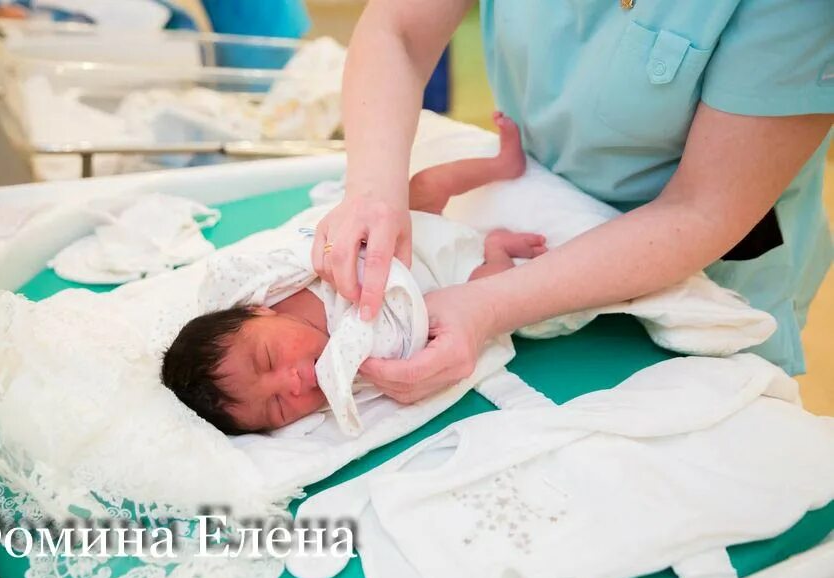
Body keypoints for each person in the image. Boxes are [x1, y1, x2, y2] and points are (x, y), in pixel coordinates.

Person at [313, 0, 834, 403]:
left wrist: (486, 304)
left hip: (701, 267)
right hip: (534, 202)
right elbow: (399, 31)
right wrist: (375, 193)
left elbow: (702, 207)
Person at [161, 114, 543, 433]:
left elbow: (227, 276)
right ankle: (497, 250)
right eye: (277, 407)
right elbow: (397, 344)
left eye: (268, 358)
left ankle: (502, 164)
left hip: (408, 235)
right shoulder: (352, 360)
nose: (292, 383)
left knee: (425, 185)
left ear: (258, 312)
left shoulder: (264, 291)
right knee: (491, 288)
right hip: (449, 274)